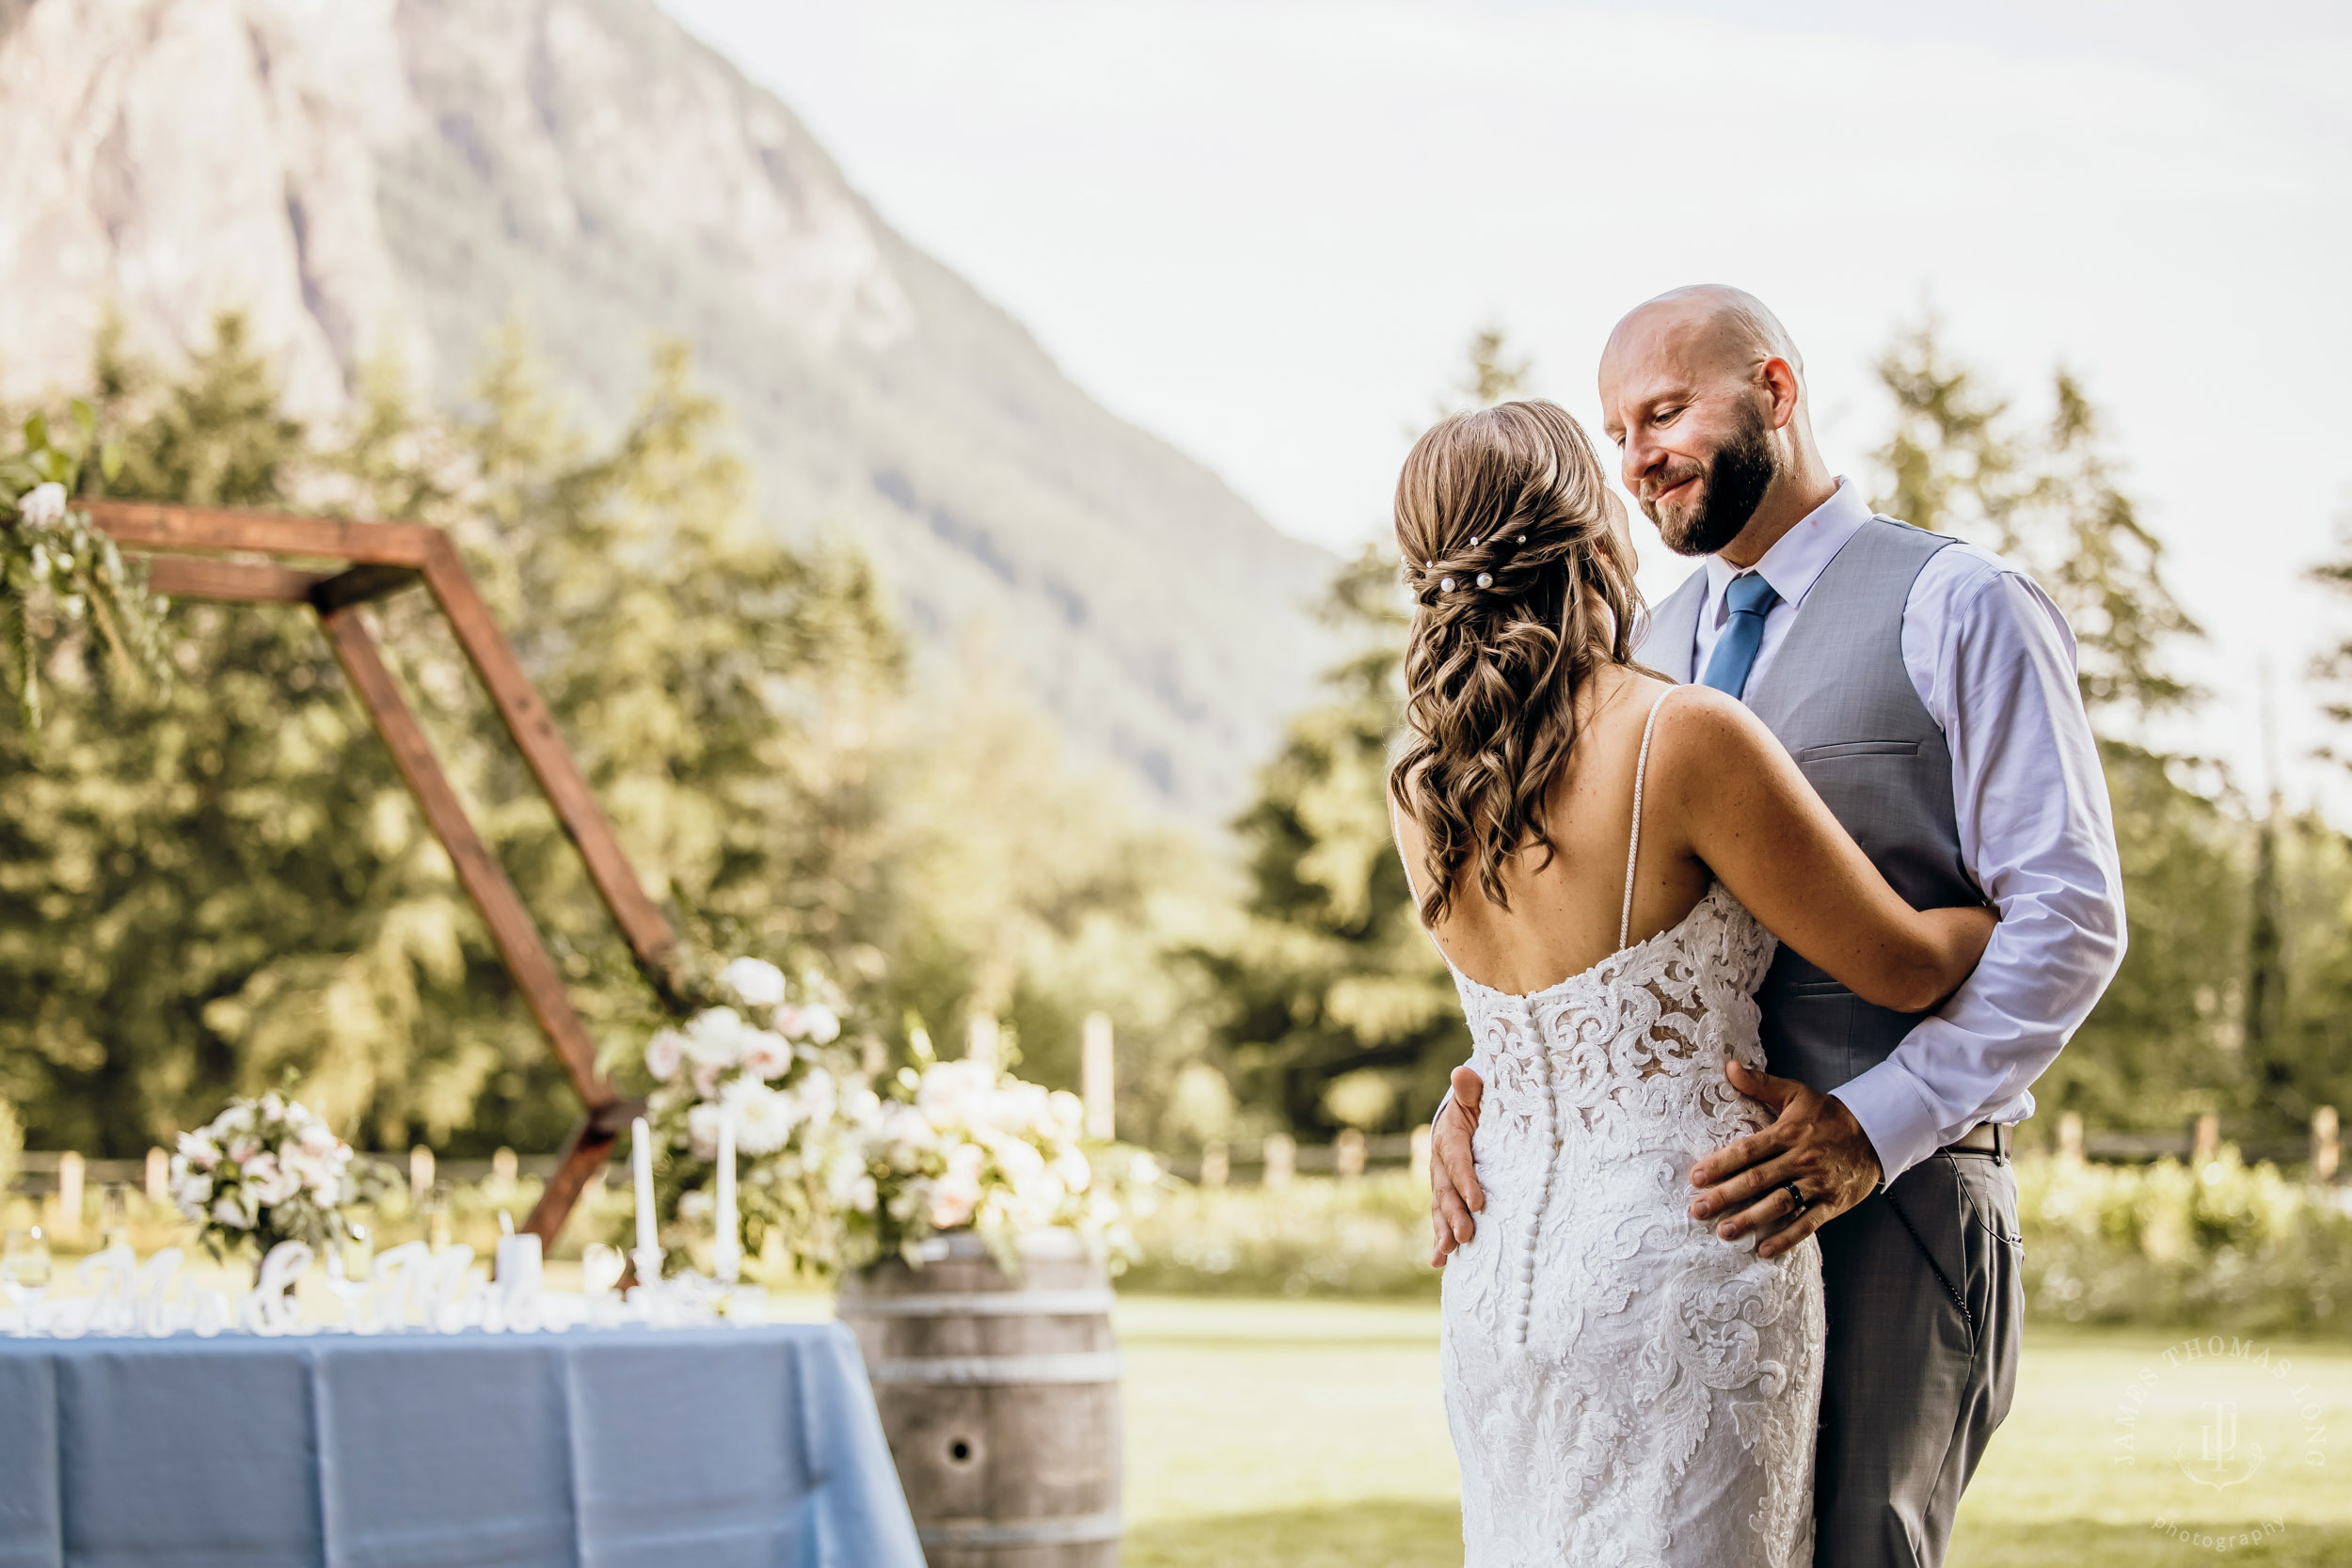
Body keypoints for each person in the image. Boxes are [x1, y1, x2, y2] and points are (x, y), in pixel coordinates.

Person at [1422, 288, 2125, 1568]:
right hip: (1688, 1231)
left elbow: (2071, 920)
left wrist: (1876, 1125)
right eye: (1616, 431)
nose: (1639, 457)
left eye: (1666, 411)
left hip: (1899, 1197)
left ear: (1775, 388)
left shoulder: (1962, 605)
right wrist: (1489, 1098)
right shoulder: (1653, 651)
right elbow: (1593, 946)